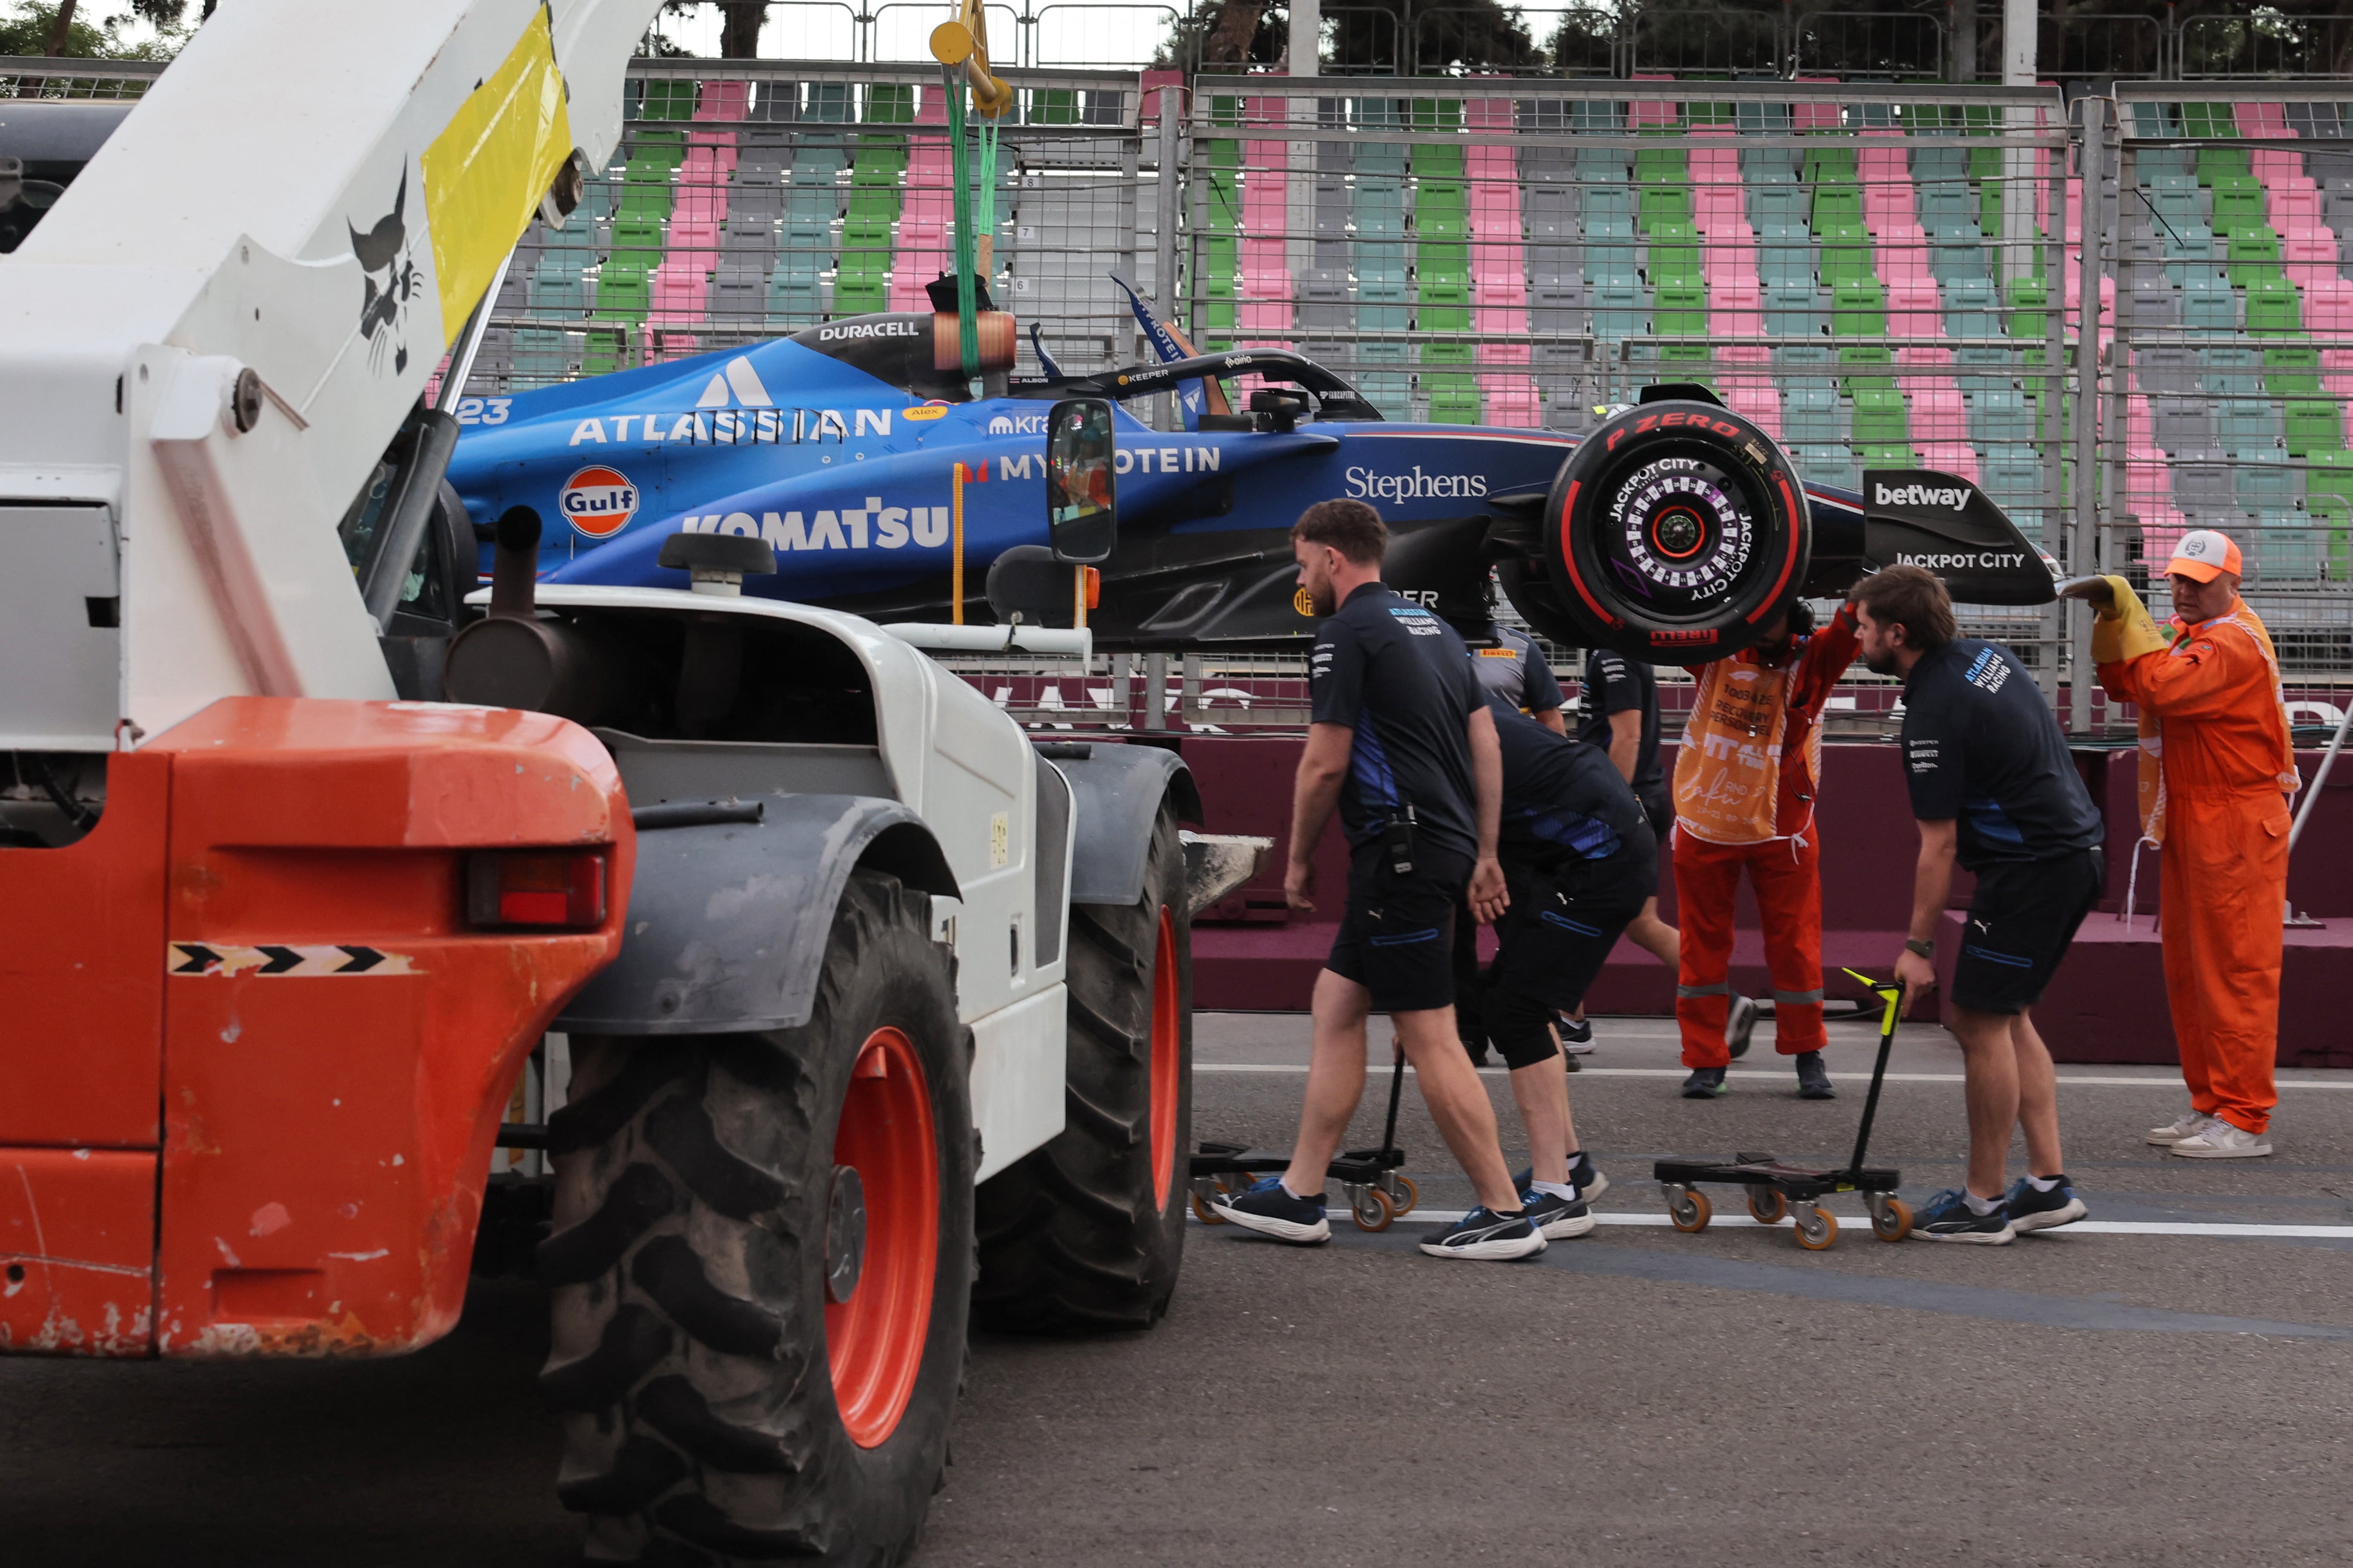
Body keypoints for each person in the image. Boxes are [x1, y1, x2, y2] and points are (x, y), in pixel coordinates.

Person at [1212, 500, 1545, 1262]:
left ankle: (1502, 1209)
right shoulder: (1434, 631)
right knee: (1336, 1000)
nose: (1303, 580)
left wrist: (1296, 860)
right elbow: (1485, 740)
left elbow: (1325, 761)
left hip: (1400, 853)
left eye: (1302, 564)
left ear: (1332, 559)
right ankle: (1300, 1193)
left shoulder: (1345, 633)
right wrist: (1485, 847)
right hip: (1439, 844)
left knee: (1427, 1032)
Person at [1854, 565, 2103, 1243]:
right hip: (2072, 856)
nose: (1855, 638)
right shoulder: (1984, 655)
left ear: (1897, 633)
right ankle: (2047, 1185)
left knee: (1976, 1022)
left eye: (1863, 626)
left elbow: (1937, 846)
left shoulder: (1932, 710)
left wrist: (1917, 947)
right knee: (2007, 1015)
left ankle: (1983, 1202)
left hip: (2034, 870)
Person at [2088, 530, 2300, 1160]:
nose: (2182, 590)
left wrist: (2124, 620)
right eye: (2177, 578)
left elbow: (2156, 688)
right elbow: (2128, 682)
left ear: (2233, 585)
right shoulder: (2192, 633)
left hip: (2235, 820)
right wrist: (2112, 618)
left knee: (2237, 971)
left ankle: (2243, 1116)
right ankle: (2211, 1103)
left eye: (2198, 582)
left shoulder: (2231, 642)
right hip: (2198, 816)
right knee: (2189, 968)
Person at [1466, 691, 1660, 1237]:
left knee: (1516, 1009)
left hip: (1599, 856)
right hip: (1581, 848)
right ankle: (1570, 1167)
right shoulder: (1459, 692)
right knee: (1508, 994)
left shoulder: (1434, 727)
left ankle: (1555, 1194)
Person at [1670, 598, 1860, 1099]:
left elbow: (1855, 616)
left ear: (1792, 613)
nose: (1754, 618)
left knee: (1795, 943)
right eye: (1750, 607)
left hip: (1784, 830)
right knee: (1700, 945)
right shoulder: (1713, 647)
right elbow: (1661, 621)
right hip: (1706, 823)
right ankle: (1706, 1060)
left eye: (1768, 609)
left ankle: (1807, 1055)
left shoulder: (1815, 657)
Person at [1438, 584, 1565, 1066]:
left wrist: (1548, 789)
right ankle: (1467, 1034)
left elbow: (1552, 720)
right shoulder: (1429, 644)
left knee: (1525, 920)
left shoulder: (1519, 646)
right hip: (1451, 806)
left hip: (1514, 809)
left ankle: (1530, 1023)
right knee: (1457, 931)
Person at [1559, 647, 1692, 1057]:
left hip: (1625, 800)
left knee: (1567, 908)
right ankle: (1722, 999)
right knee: (1641, 923)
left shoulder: (1613, 653)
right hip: (1640, 797)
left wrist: (1608, 805)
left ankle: (1570, 1021)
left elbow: (1628, 734)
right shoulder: (1613, 651)